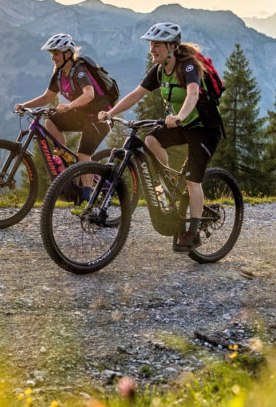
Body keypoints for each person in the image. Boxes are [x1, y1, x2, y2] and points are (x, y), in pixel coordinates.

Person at [99, 23, 221, 251]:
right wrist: (110, 112)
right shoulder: (158, 70)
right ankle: (166, 184)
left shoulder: (188, 67)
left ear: (172, 47)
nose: (152, 49)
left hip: (205, 128)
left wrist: (180, 116)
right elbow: (136, 94)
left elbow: (193, 94)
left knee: (193, 180)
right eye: (151, 45)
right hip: (182, 123)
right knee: (151, 140)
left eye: (157, 45)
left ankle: (192, 233)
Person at [15, 33, 112, 201]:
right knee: (50, 121)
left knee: (83, 155)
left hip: (100, 116)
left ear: (68, 53)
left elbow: (89, 94)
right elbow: (46, 98)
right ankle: (65, 160)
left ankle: (86, 198)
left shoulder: (79, 71)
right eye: (51, 54)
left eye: (56, 53)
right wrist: (25, 105)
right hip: (82, 115)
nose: (53, 57)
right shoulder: (59, 74)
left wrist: (68, 106)